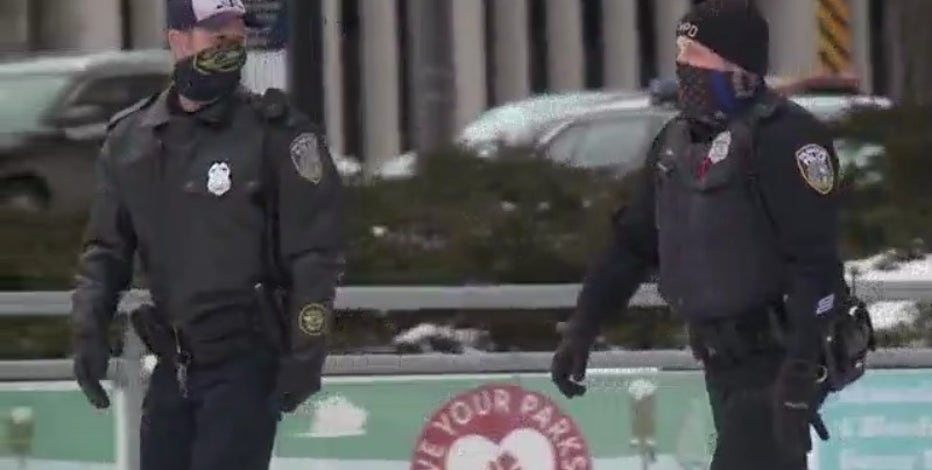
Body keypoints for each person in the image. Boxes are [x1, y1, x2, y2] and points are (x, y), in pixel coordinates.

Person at [550, 1, 851, 468]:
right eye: (680, 51)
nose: (683, 64)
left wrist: (801, 369)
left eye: (697, 53)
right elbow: (631, 245)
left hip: (776, 356)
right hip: (719, 359)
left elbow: (816, 263)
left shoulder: (787, 138)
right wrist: (583, 328)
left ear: (739, 66)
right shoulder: (676, 145)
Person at [69, 0, 344, 469]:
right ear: (178, 40)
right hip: (173, 365)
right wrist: (89, 330)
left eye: (237, 35)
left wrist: (307, 349)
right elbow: (106, 251)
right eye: (216, 33)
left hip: (245, 361)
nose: (229, 44)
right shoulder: (132, 139)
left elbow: (314, 253)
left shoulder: (275, 133)